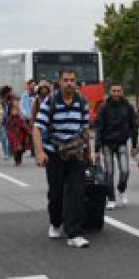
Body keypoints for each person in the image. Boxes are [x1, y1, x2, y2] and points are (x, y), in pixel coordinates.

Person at [33, 69, 94, 248]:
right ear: (59, 82)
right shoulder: (50, 102)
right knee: (56, 194)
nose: (69, 83)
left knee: (77, 192)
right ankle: (56, 222)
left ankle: (74, 233)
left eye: (72, 80)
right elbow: (37, 129)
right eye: (65, 80)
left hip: (75, 154)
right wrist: (39, 152)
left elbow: (85, 130)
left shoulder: (82, 102)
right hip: (54, 154)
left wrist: (88, 153)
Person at [94, 81, 139, 209]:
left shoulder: (128, 107)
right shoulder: (103, 108)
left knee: (125, 170)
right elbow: (99, 128)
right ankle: (111, 199)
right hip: (107, 143)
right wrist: (97, 149)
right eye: (114, 91)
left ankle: (121, 189)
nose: (116, 93)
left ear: (122, 92)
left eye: (119, 91)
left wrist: (135, 145)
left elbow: (133, 126)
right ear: (110, 91)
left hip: (122, 143)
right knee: (109, 172)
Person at [5, 101, 31, 166]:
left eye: (16, 110)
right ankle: (16, 160)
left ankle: (19, 158)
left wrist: (28, 131)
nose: (14, 112)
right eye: (13, 110)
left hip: (20, 136)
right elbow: (7, 127)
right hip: (13, 136)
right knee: (15, 148)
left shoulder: (20, 119)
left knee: (21, 149)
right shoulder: (9, 119)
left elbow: (24, 126)